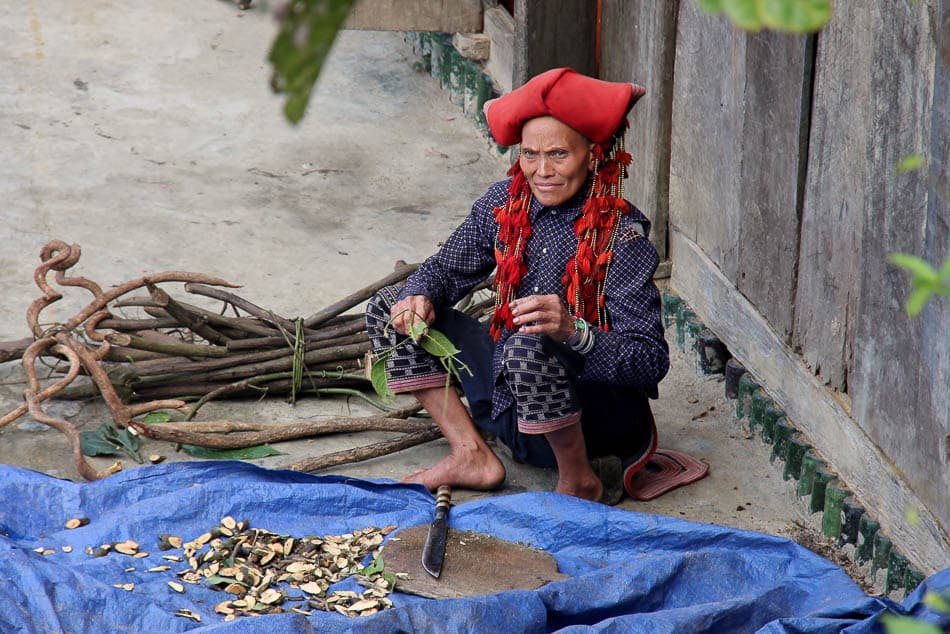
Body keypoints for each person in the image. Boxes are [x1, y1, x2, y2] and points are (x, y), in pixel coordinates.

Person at [365, 67, 669, 503]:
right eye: (530, 155)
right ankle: (471, 453)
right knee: (390, 306)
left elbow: (650, 361)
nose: (542, 171)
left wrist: (573, 332)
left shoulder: (622, 239)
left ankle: (579, 477)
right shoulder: (504, 205)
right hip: (511, 402)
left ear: (593, 153)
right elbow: (444, 268)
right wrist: (421, 296)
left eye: (559, 155)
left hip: (596, 420)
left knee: (527, 345)